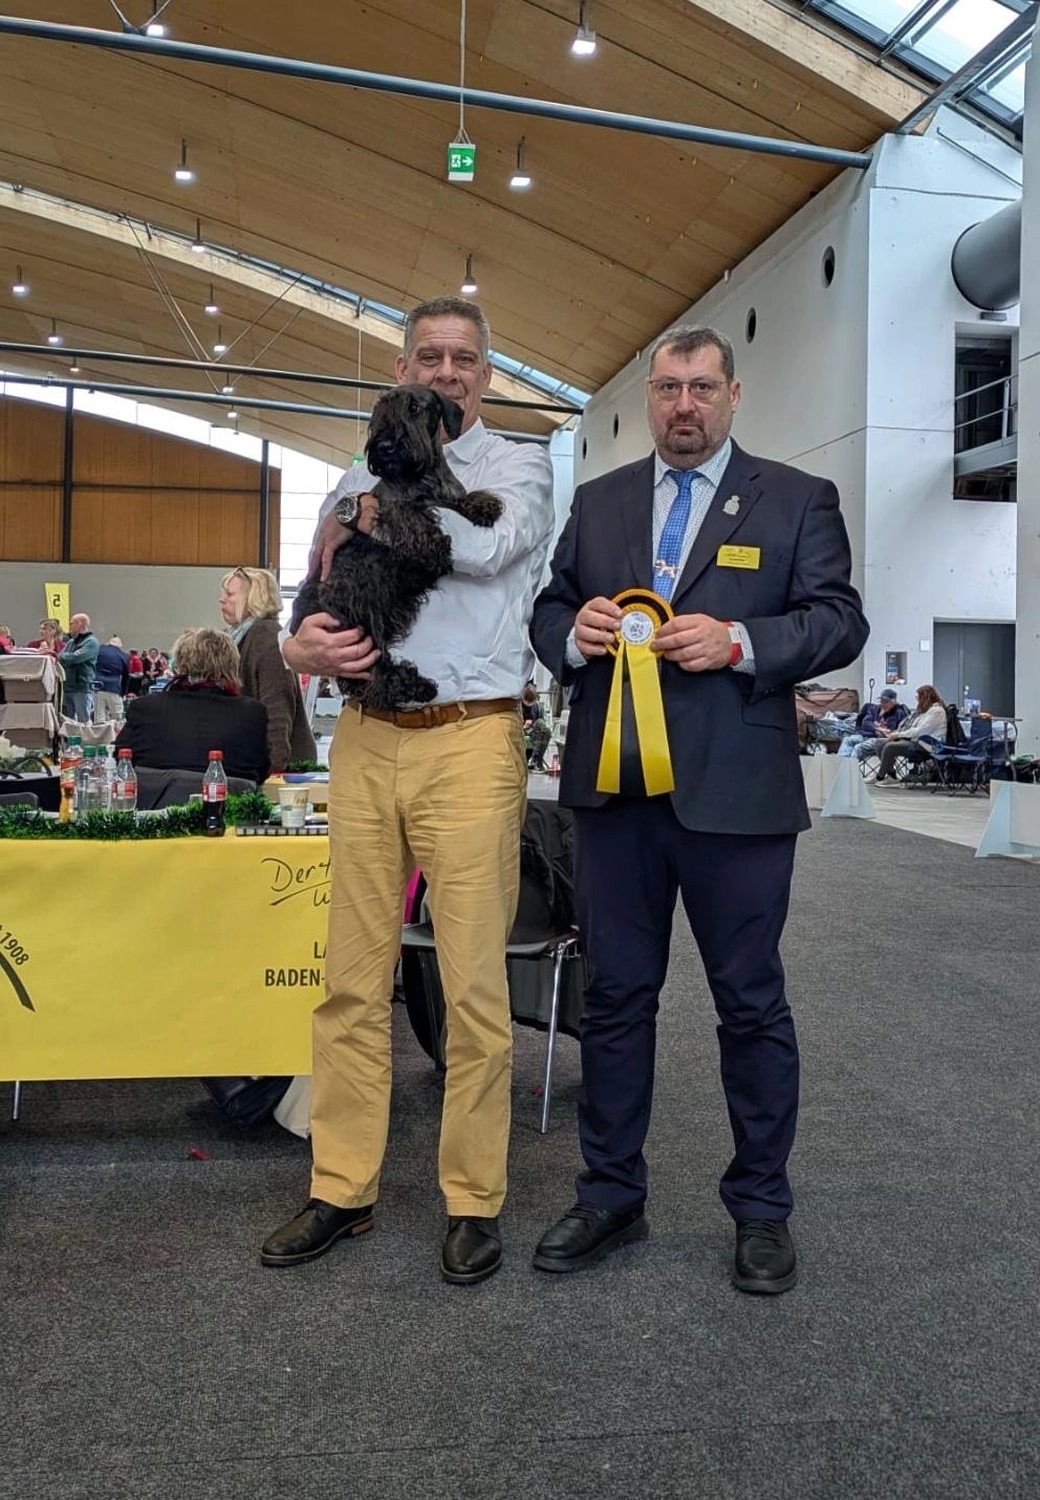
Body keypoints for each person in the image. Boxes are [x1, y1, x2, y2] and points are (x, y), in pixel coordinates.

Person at [529, 325, 868, 1294]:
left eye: (702, 387)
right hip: (614, 796)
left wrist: (740, 642)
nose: (684, 405)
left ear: (732, 394)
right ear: (647, 396)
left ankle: (760, 1208)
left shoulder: (797, 497)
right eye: (668, 387)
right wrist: (574, 633)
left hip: (738, 797)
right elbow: (547, 613)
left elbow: (838, 620)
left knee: (749, 1004)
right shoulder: (597, 502)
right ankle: (609, 1195)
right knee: (613, 1000)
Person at [261, 296, 555, 1284]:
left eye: (463, 358)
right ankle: (341, 1186)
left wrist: (362, 515)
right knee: (350, 981)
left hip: (470, 740)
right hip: (366, 735)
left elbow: (481, 549)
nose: (445, 371)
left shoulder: (518, 465)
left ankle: (473, 1198)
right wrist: (299, 647)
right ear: (401, 369)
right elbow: (309, 598)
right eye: (429, 356)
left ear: (485, 373)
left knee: (471, 986)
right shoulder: (353, 476)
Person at [115, 628, 269, 783]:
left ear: (179, 664)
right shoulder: (252, 714)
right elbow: (262, 769)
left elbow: (119, 762)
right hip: (232, 798)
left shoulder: (145, 708)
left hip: (158, 797)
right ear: (232, 665)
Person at [218, 566, 316, 773]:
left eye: (230, 594)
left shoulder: (267, 637)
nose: (222, 600)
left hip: (283, 767)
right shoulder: (243, 636)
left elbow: (277, 709)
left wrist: (274, 770)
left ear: (252, 599)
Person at [870, 684, 946, 783]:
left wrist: (898, 735)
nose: (917, 700)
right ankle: (891, 774)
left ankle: (880, 776)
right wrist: (897, 733)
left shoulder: (937, 712)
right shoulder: (924, 711)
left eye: (919, 698)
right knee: (880, 743)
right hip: (915, 740)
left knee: (890, 747)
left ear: (925, 698)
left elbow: (920, 731)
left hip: (927, 744)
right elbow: (911, 726)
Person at [837, 687, 907, 757]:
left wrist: (881, 730)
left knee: (858, 747)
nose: (883, 704)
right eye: (881, 701)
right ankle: (843, 762)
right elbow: (865, 723)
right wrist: (878, 728)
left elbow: (894, 731)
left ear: (893, 702)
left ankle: (852, 764)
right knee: (847, 740)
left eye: (886, 701)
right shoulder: (874, 709)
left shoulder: (898, 713)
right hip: (867, 736)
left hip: (881, 741)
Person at [61, 613, 100, 722]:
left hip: (82, 688)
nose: (70, 627)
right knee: (68, 722)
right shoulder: (71, 642)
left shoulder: (91, 642)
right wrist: (70, 656)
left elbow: (76, 658)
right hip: (67, 687)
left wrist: (68, 657)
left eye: (71, 624)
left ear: (79, 624)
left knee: (83, 721)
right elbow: (60, 657)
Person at [93, 635, 130, 723]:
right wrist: (123, 692)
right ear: (120, 645)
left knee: (99, 717)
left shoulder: (99, 650)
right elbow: (126, 676)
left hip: (97, 686)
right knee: (118, 718)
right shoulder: (123, 655)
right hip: (114, 687)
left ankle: (100, 731)